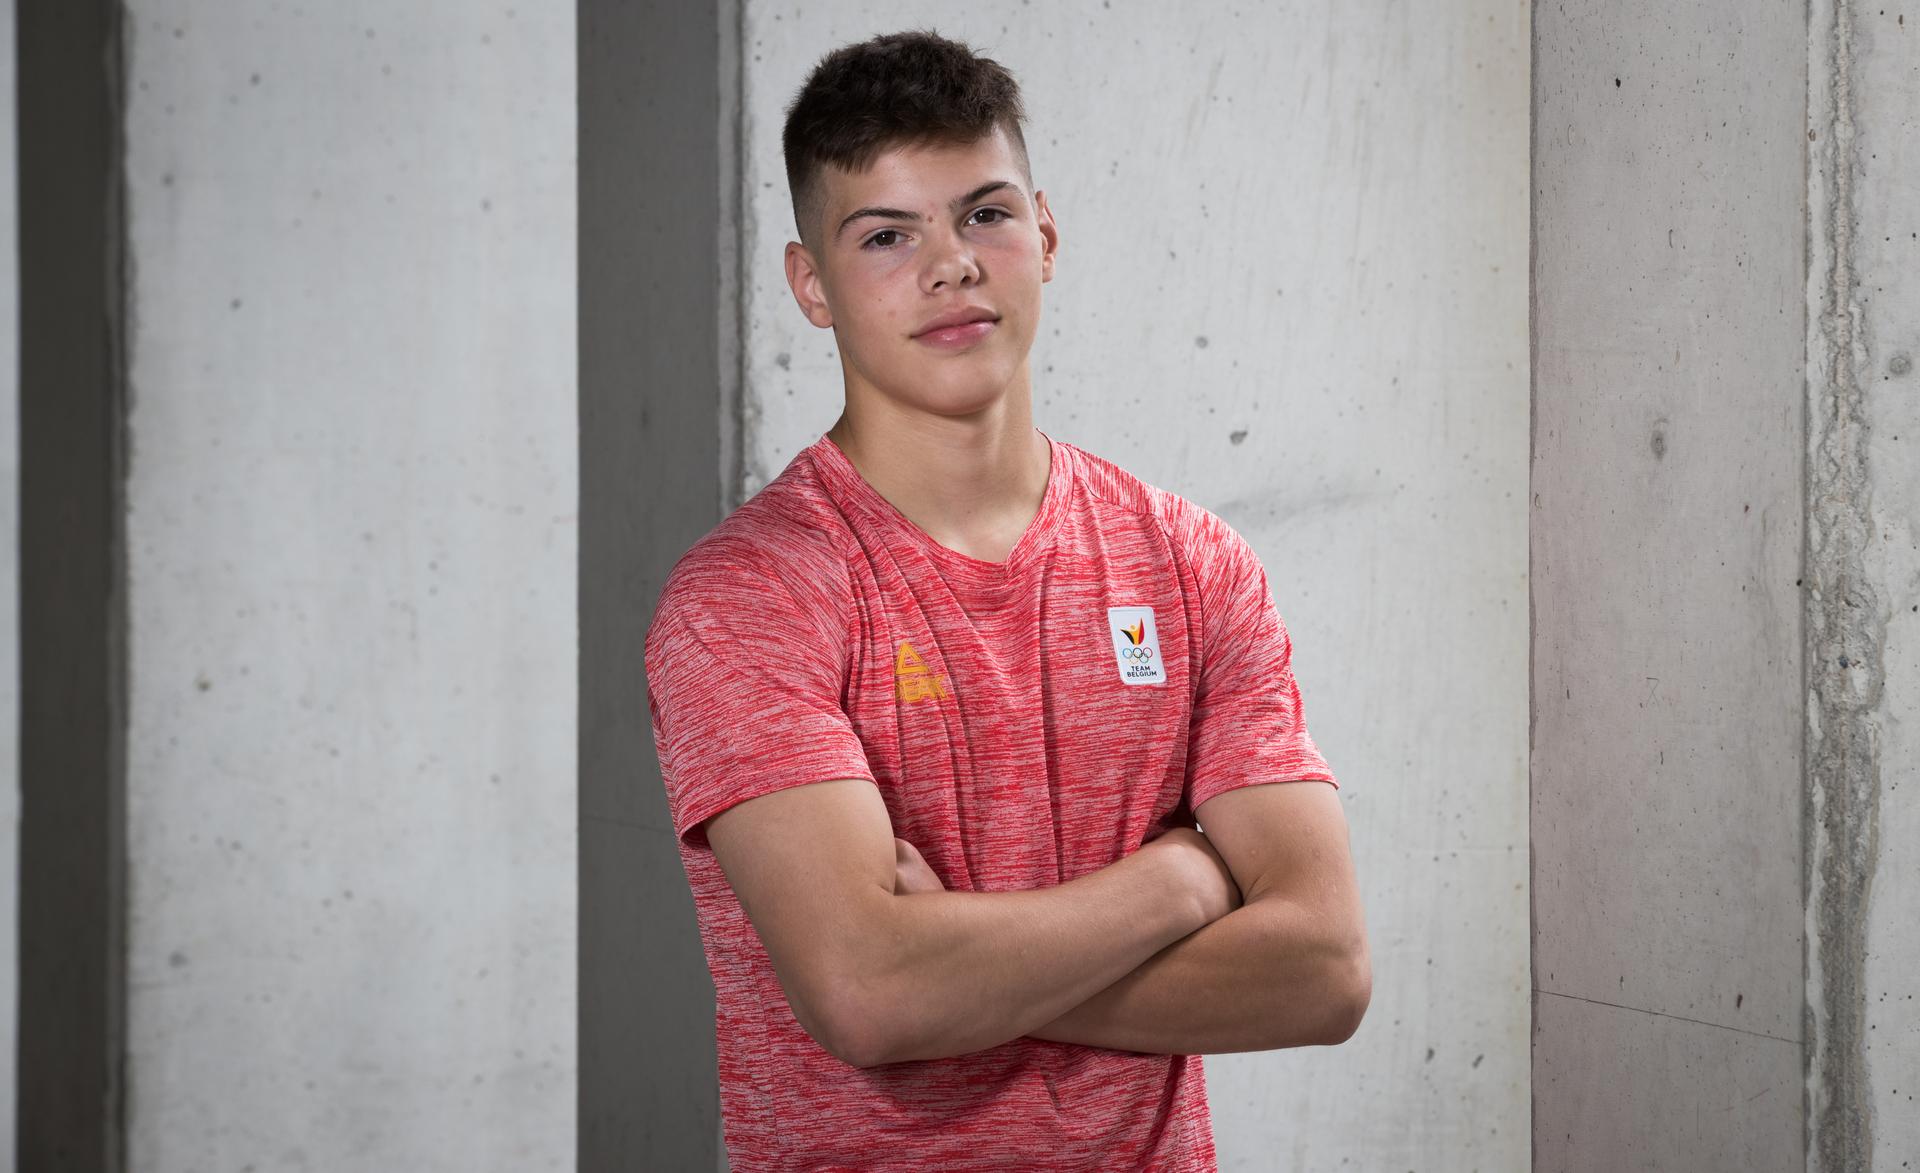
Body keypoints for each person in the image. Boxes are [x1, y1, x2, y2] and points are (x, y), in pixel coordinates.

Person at [642, 28, 1369, 1172]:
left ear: (1045, 234)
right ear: (809, 286)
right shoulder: (749, 596)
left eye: (985, 213)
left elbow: (1324, 971)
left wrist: (964, 969)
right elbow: (870, 995)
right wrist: (1180, 878)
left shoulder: (1189, 562)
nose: (952, 264)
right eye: (886, 234)